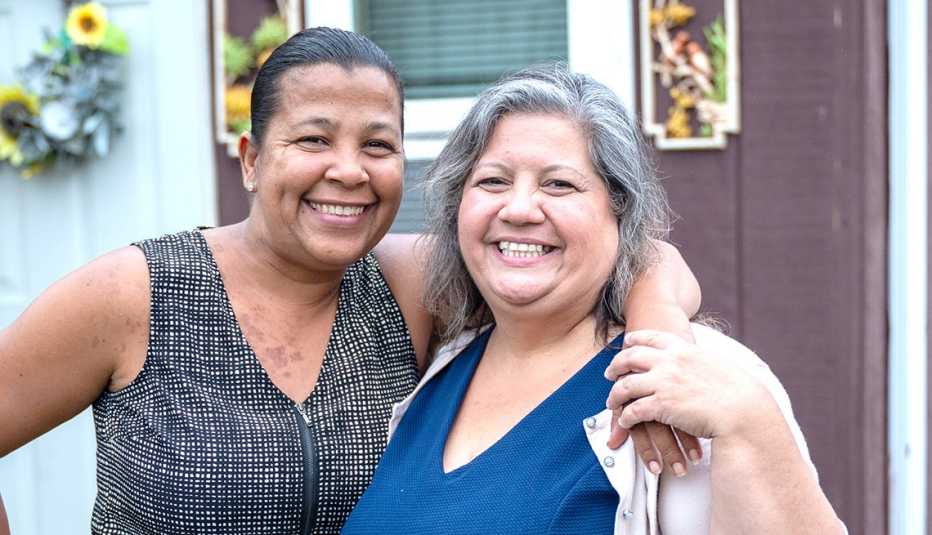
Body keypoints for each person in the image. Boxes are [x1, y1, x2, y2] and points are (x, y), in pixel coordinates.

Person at [0, 29, 700, 534]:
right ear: (250, 159)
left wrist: (658, 338)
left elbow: (626, 252)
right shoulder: (138, 293)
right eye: (312, 139)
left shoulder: (404, 282)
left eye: (377, 144)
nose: (348, 170)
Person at [342, 64, 846, 534]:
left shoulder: (691, 381)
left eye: (559, 184)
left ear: (620, 214)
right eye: (492, 181)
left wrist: (748, 419)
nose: (518, 208)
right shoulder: (440, 366)